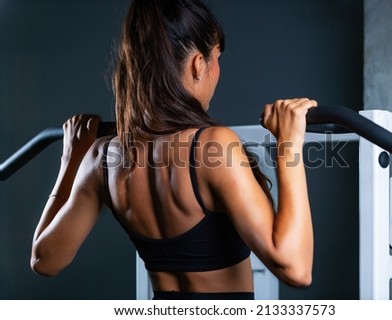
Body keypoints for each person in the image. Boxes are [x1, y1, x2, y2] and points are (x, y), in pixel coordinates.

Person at [30, 0, 316, 300]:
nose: (217, 71)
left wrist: (71, 160)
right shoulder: (213, 145)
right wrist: (288, 145)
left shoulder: (101, 158)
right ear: (197, 64)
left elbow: (44, 260)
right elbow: (296, 269)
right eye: (216, 57)